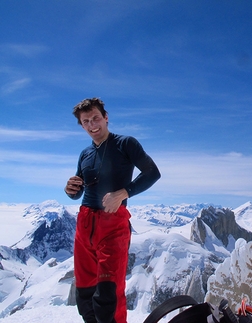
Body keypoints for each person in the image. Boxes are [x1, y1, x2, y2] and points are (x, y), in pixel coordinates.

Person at [65, 98, 161, 323]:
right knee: (85, 295)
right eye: (86, 121)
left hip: (113, 225)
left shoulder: (125, 143)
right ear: (82, 125)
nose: (92, 124)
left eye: (96, 118)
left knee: (108, 296)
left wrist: (123, 193)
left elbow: (152, 173)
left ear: (106, 117)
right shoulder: (85, 154)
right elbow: (80, 190)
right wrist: (71, 190)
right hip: (85, 225)